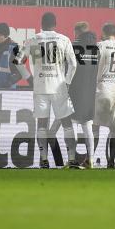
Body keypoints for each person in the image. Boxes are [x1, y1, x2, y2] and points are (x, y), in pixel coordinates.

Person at [19, 12, 79, 169]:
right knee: (66, 123)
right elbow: (73, 64)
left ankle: (44, 159)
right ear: (55, 24)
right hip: (59, 86)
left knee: (42, 124)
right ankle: (72, 159)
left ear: (42, 23)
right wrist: (67, 82)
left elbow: (17, 61)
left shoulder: (33, 39)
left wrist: (29, 78)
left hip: (40, 86)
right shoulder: (64, 39)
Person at [93, 23, 115, 169]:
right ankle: (111, 162)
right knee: (114, 129)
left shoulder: (99, 46)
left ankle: (89, 159)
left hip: (100, 89)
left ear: (103, 32)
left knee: (94, 127)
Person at [69, 30, 99, 168]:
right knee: (87, 126)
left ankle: (72, 159)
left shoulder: (74, 48)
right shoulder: (96, 50)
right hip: (90, 91)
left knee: (73, 123)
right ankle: (91, 160)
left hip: (75, 90)